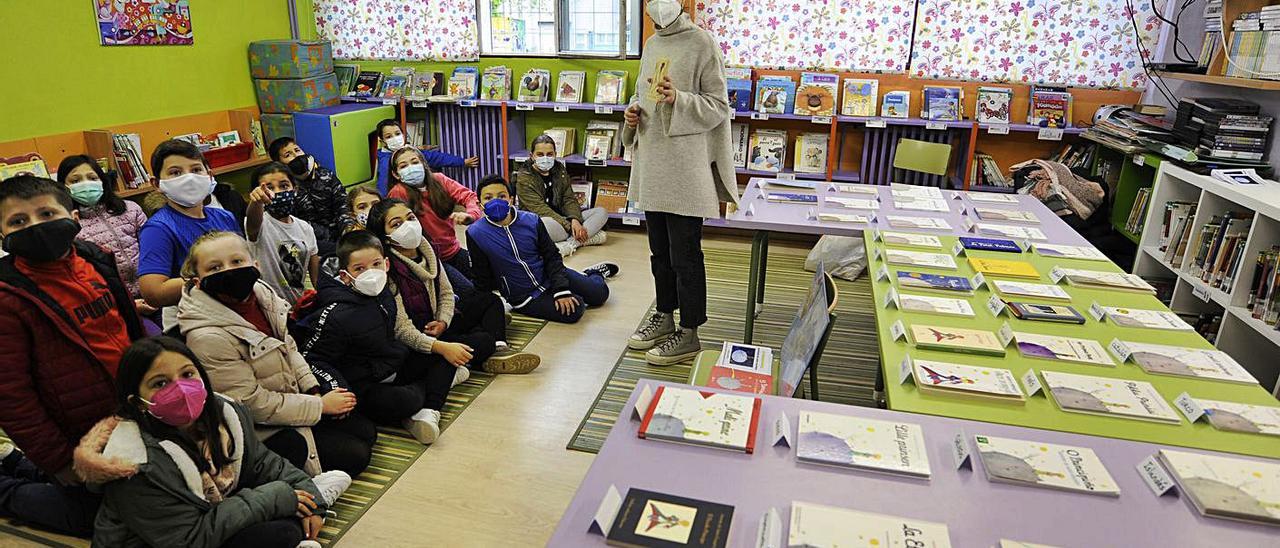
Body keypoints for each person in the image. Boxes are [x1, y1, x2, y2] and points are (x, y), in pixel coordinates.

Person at [73, 336, 351, 547]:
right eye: (160, 383)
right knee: (280, 531)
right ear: (138, 402)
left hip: (211, 512)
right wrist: (275, 497)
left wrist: (313, 503)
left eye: (187, 374)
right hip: (167, 541)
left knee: (291, 504)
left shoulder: (223, 414)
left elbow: (267, 463)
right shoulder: (134, 464)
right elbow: (188, 539)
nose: (180, 388)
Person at [0, 175, 143, 536]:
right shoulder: (7, 298)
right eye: (18, 221)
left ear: (73, 217)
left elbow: (134, 331)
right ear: (2, 236)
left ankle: (19, 464)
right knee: (102, 524)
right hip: (75, 440)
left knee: (148, 505)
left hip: (133, 417)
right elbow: (11, 396)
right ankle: (7, 487)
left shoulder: (98, 261)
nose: (35, 226)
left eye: (47, 213)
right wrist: (60, 462)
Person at [177, 231, 376, 477]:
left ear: (255, 265)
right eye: (215, 267)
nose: (228, 271)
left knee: (366, 431)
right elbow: (250, 404)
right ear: (198, 281)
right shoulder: (206, 337)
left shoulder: (262, 293)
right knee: (356, 455)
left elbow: (289, 347)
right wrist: (318, 406)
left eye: (237, 261)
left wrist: (313, 388)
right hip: (260, 428)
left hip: (291, 397)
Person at [623, 0, 738, 365]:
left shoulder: (702, 42)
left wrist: (680, 98)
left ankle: (690, 333)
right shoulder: (652, 44)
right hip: (653, 163)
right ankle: (664, 316)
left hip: (686, 170)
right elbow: (644, 95)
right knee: (659, 252)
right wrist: (632, 110)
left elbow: (719, 105)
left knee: (685, 255)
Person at [296, 231, 462, 444]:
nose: (371, 273)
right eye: (360, 269)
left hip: (390, 364)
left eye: (376, 264)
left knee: (444, 354)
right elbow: (312, 358)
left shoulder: (385, 292)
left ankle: (429, 410)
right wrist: (337, 389)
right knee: (405, 400)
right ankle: (428, 396)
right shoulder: (336, 313)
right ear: (346, 276)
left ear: (386, 264)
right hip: (363, 383)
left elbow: (397, 331)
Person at [367, 199, 540, 374]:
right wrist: (438, 345)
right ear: (384, 237)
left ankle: (498, 349)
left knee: (490, 301)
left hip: (438, 324)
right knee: (483, 339)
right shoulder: (389, 269)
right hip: (421, 338)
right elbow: (401, 330)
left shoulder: (427, 250)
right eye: (396, 224)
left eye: (410, 218)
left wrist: (443, 321)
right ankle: (484, 351)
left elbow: (446, 293)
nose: (408, 226)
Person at [467, 176, 618, 324]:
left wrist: (561, 289)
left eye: (501, 196)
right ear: (480, 205)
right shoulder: (475, 233)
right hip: (525, 297)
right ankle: (581, 281)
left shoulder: (531, 220)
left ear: (511, 199)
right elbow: (482, 276)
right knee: (574, 309)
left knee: (599, 295)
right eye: (488, 198)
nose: (496, 201)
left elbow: (551, 256)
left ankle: (593, 274)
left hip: (550, 276)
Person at [137, 139, 242, 331]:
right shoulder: (158, 229)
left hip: (235, 311)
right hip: (192, 322)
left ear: (209, 176)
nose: (189, 178)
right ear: (157, 184)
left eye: (196, 170)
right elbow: (153, 291)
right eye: (175, 173)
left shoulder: (225, 217)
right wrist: (210, 277)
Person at [386, 146, 480, 296]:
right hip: (431, 260)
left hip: (452, 250)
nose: (411, 168)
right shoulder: (399, 192)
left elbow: (470, 197)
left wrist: (470, 215)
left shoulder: (439, 180)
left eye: (415, 162)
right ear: (396, 174)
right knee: (468, 291)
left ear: (423, 164)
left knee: (486, 278)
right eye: (404, 166)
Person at [56, 155, 149, 302]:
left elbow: (152, 249)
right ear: (64, 187)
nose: (86, 184)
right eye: (75, 181)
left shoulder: (131, 209)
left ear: (102, 181)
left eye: (92, 178)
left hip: (150, 289)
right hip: (112, 302)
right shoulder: (68, 225)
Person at [514, 134, 609, 256]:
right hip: (546, 222)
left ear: (555, 154)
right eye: (540, 154)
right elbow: (541, 210)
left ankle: (570, 244)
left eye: (549, 154)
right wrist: (570, 226)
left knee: (601, 212)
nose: (545, 158)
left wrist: (575, 219)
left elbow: (568, 198)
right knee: (544, 223)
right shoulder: (524, 177)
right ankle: (585, 237)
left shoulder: (560, 170)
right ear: (531, 156)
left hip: (564, 219)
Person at [245, 162, 320, 305]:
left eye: (284, 186)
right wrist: (257, 202)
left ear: (295, 189)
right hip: (270, 307)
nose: (278, 192)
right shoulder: (261, 224)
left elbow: (315, 278)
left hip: (300, 304)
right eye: (269, 188)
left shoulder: (305, 228)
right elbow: (252, 222)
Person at [268, 137, 347, 247]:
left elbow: (342, 204)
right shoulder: (284, 188)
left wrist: (347, 230)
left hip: (340, 232)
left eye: (297, 150)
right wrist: (328, 237)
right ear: (279, 164)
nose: (296, 156)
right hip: (309, 240)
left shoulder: (326, 175)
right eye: (288, 155)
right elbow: (294, 222)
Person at [373, 119, 479, 194]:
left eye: (397, 133)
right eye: (389, 136)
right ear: (382, 141)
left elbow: (435, 157)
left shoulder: (410, 150)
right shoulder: (386, 161)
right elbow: (383, 185)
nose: (395, 138)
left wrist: (462, 161)